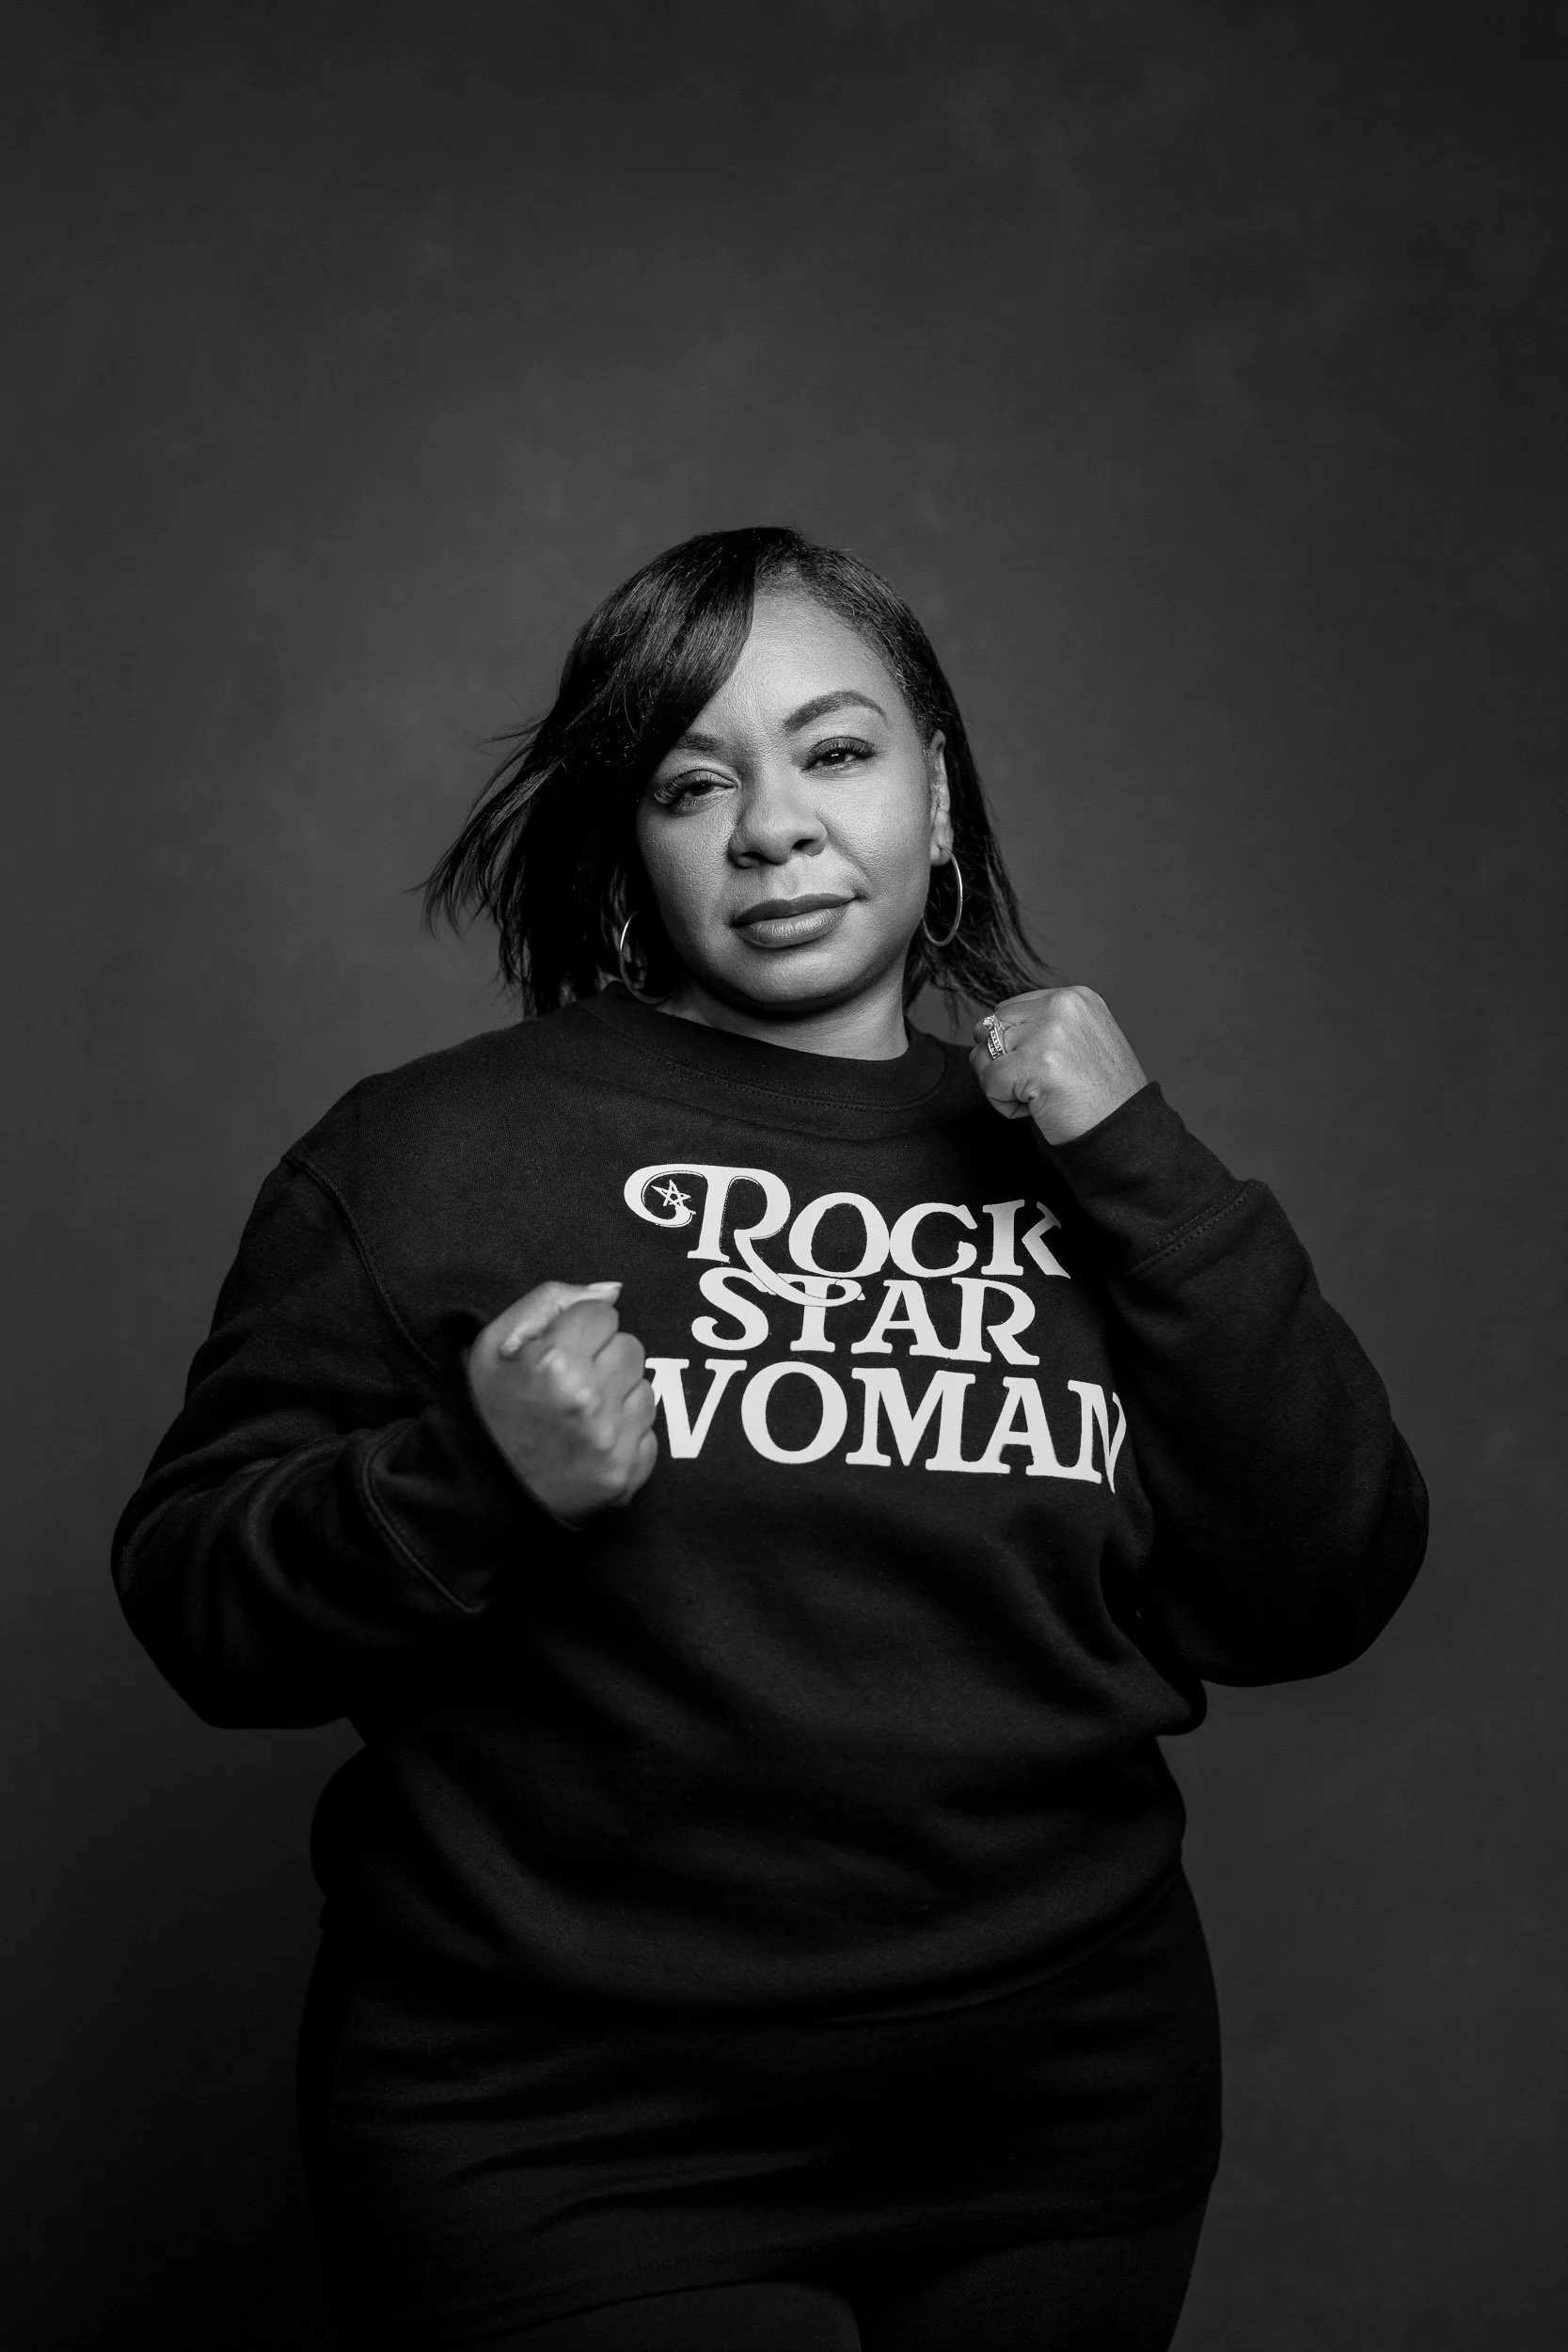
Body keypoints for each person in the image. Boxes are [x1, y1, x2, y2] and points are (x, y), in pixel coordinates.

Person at [111, 525, 1428, 2352]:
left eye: (835, 750)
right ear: (628, 842)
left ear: (934, 792)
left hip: (1056, 2118)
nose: (774, 828)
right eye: (691, 781)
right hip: (559, 2132)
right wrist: (467, 1485)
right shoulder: (428, 1156)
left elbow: (1315, 1587)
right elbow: (194, 1610)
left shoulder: (1093, 1161)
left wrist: (1142, 1161)